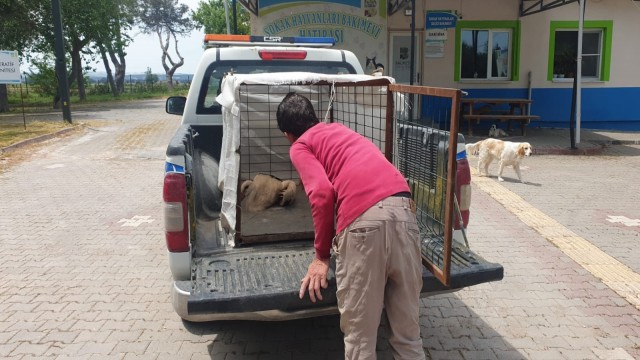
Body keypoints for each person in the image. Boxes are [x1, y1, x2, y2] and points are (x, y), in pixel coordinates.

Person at [276, 92, 426, 360]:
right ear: (314, 117)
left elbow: (322, 194)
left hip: (364, 225)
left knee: (360, 342)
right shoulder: (339, 130)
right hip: (405, 214)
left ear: (288, 133)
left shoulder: (299, 145)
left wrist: (321, 256)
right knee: (408, 338)